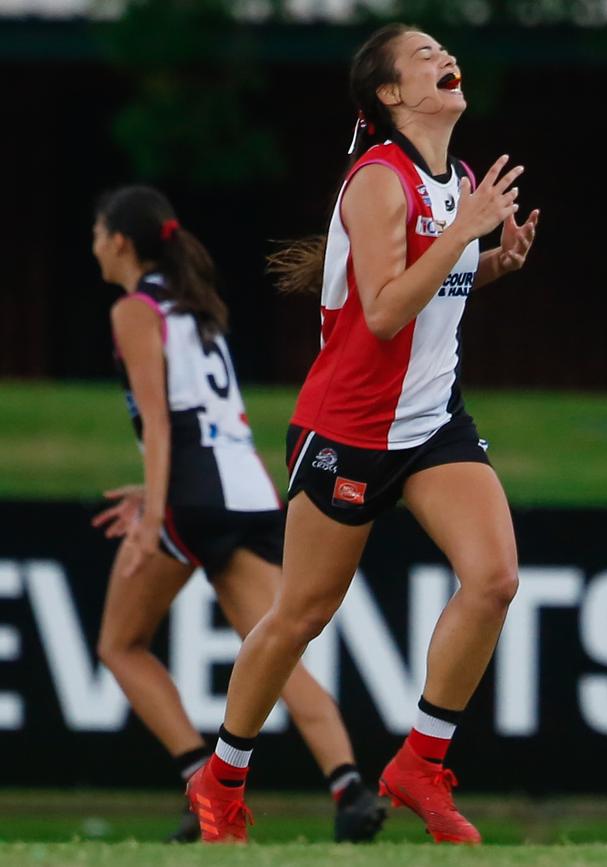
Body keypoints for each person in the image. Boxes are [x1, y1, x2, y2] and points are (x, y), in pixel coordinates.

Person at [186, 22, 540, 845]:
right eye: (422, 55)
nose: (444, 57)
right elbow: (381, 311)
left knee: (493, 579)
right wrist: (466, 233)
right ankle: (221, 780)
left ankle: (420, 760)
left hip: (431, 424)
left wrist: (492, 264)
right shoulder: (379, 180)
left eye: (444, 48)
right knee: (299, 615)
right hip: (348, 429)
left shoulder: (453, 178)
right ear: (388, 95)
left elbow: (429, 289)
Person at [90, 185, 386, 844]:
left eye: (96, 234)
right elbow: (207, 420)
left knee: (120, 644)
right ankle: (349, 787)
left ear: (118, 241)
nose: (93, 247)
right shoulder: (195, 305)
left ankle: (204, 790)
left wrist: (153, 513)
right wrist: (156, 492)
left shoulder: (135, 311)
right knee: (275, 646)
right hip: (249, 490)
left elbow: (163, 425)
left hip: (194, 493)